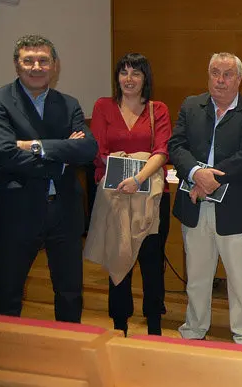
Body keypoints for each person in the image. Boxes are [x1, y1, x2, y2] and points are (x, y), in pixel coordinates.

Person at [0, 34, 97, 322]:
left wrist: (34, 146)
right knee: (8, 291)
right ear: (16, 64)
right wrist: (62, 158)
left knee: (70, 292)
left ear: (54, 66)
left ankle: (70, 352)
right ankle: (6, 357)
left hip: (64, 211)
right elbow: (4, 153)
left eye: (43, 60)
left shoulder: (69, 104)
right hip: (16, 211)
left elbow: (87, 148)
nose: (36, 67)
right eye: (28, 60)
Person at [168, 53, 242, 344]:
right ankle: (194, 331)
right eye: (215, 73)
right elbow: (176, 145)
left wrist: (209, 180)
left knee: (241, 281)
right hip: (194, 206)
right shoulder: (191, 105)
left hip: (235, 210)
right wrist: (197, 173)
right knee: (197, 277)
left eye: (227, 74)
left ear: (239, 79)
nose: (220, 80)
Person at [88, 53, 172, 335]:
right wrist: (126, 174)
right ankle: (119, 324)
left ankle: (154, 327)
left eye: (136, 73)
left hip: (149, 196)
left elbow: (162, 150)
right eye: (124, 72)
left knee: (151, 263)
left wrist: (137, 178)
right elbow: (97, 151)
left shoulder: (158, 109)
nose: (129, 78)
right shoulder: (103, 106)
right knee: (118, 257)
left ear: (145, 78)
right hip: (115, 196)